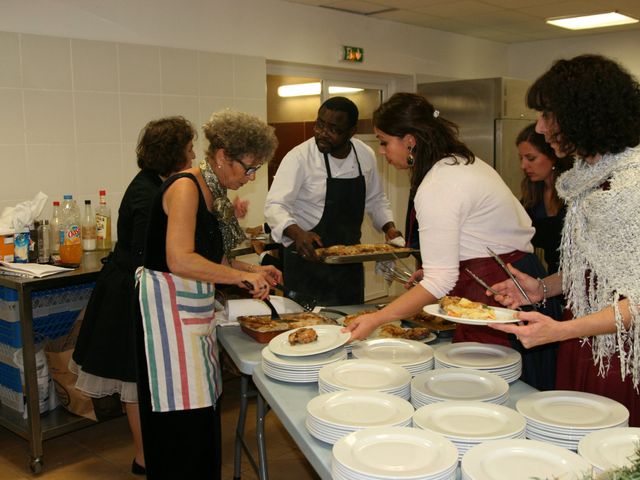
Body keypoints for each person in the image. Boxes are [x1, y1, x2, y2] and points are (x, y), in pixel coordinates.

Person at [344, 92, 560, 390]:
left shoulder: (440, 183)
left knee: (492, 389)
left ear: (410, 140)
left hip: (499, 290)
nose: (382, 151)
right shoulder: (458, 163)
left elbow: (440, 281)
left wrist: (377, 318)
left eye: (383, 141)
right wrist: (438, 267)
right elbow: (473, 239)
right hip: (510, 276)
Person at [489, 54, 640, 426]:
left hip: (621, 354)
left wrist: (561, 331)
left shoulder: (629, 186)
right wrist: (543, 288)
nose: (540, 128)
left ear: (582, 114)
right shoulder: (588, 176)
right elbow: (597, 271)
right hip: (589, 340)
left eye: (547, 115)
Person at [135, 109, 281, 479]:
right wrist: (238, 277)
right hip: (167, 321)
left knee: (201, 415)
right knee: (181, 427)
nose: (250, 177)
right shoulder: (185, 187)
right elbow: (180, 258)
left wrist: (252, 269)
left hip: (190, 316)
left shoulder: (209, 190)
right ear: (221, 156)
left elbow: (207, 252)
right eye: (247, 169)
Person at [71, 116, 196, 475]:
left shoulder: (164, 183)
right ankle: (145, 457)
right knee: (135, 380)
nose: (193, 153)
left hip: (142, 286)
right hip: (130, 293)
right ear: (173, 151)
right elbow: (149, 252)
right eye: (189, 147)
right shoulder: (146, 192)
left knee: (148, 379)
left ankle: (153, 451)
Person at [264, 96, 401, 306]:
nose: (322, 133)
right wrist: (296, 232)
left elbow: (376, 199)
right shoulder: (299, 158)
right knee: (306, 329)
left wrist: (389, 229)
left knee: (351, 324)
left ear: (351, 131)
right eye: (319, 124)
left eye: (333, 129)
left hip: (349, 263)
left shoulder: (365, 155)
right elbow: (275, 205)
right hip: (306, 262)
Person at [517, 123, 572, 274]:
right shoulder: (533, 196)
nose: (523, 165)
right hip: (553, 281)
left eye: (531, 158)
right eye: (521, 158)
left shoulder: (575, 193)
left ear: (553, 155)